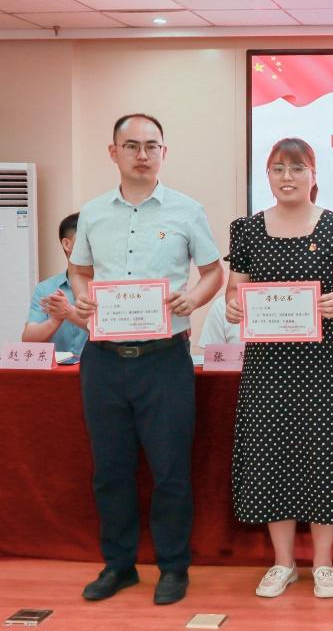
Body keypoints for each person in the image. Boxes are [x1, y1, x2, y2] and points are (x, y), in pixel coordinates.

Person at [70, 113, 224, 605]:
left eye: (151, 146)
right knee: (110, 470)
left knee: (170, 470)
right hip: (103, 360)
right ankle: (118, 566)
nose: (142, 155)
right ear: (113, 152)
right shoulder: (93, 212)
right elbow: (78, 271)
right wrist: (84, 297)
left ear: (164, 152)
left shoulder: (186, 210)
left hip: (165, 359)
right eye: (131, 146)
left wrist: (193, 298)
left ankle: (173, 567)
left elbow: (213, 272)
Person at [224, 137, 333, 600]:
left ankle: (323, 563)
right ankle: (283, 562)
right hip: (268, 364)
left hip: (322, 361)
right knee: (272, 455)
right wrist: (233, 305)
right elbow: (234, 290)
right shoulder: (248, 229)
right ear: (268, 176)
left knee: (322, 454)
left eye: (296, 168)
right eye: (277, 169)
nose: (287, 177)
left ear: (313, 175)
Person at [22, 212, 88, 355]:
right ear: (67, 244)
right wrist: (55, 320)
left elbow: (113, 331)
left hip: (99, 367)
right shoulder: (46, 289)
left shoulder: (109, 287)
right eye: (87, 238)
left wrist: (69, 313)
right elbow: (28, 339)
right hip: (58, 368)